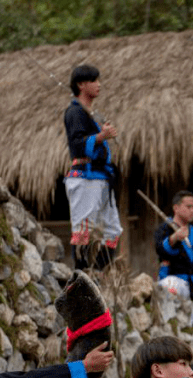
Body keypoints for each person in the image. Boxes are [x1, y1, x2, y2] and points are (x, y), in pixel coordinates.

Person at [64, 64, 121, 271]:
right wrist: (101, 136)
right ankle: (81, 273)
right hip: (85, 176)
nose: (99, 85)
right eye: (94, 80)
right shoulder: (74, 112)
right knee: (83, 229)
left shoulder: (90, 114)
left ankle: (98, 272)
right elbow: (78, 144)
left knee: (113, 230)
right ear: (81, 84)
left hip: (101, 177)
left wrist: (102, 135)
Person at [154, 190, 193, 326]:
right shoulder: (165, 229)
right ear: (176, 208)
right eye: (188, 207)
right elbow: (160, 251)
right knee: (169, 322)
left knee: (187, 325)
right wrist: (174, 238)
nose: (192, 211)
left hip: (192, 287)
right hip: (172, 281)